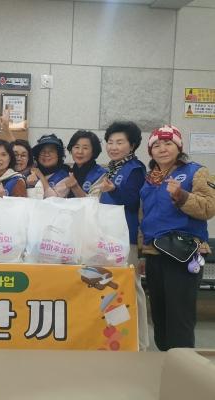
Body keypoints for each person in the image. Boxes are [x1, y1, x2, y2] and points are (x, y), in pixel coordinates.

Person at [140, 125, 215, 351]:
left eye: (168, 143)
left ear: (179, 147)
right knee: (160, 315)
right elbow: (145, 216)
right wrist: (142, 251)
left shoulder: (196, 171)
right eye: (156, 145)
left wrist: (182, 196)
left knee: (179, 315)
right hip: (154, 253)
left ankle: (182, 364)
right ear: (150, 151)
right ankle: (165, 359)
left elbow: (209, 207)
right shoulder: (151, 178)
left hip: (184, 254)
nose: (162, 149)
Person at [98, 121, 149, 350]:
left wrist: (114, 190)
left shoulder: (135, 168)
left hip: (126, 238)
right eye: (110, 142)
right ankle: (120, 338)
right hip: (109, 238)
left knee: (132, 287)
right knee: (114, 289)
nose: (113, 147)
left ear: (132, 145)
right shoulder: (113, 168)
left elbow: (134, 200)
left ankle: (140, 341)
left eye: (120, 142)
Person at [65, 130, 106, 198]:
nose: (80, 152)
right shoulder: (68, 171)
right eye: (77, 147)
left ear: (93, 151)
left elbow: (95, 202)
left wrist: (75, 187)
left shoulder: (100, 174)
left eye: (85, 148)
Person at [27, 134, 70, 198]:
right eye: (42, 151)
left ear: (58, 155)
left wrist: (40, 176)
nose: (46, 154)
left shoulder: (64, 177)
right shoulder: (30, 171)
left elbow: (53, 199)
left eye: (51, 151)